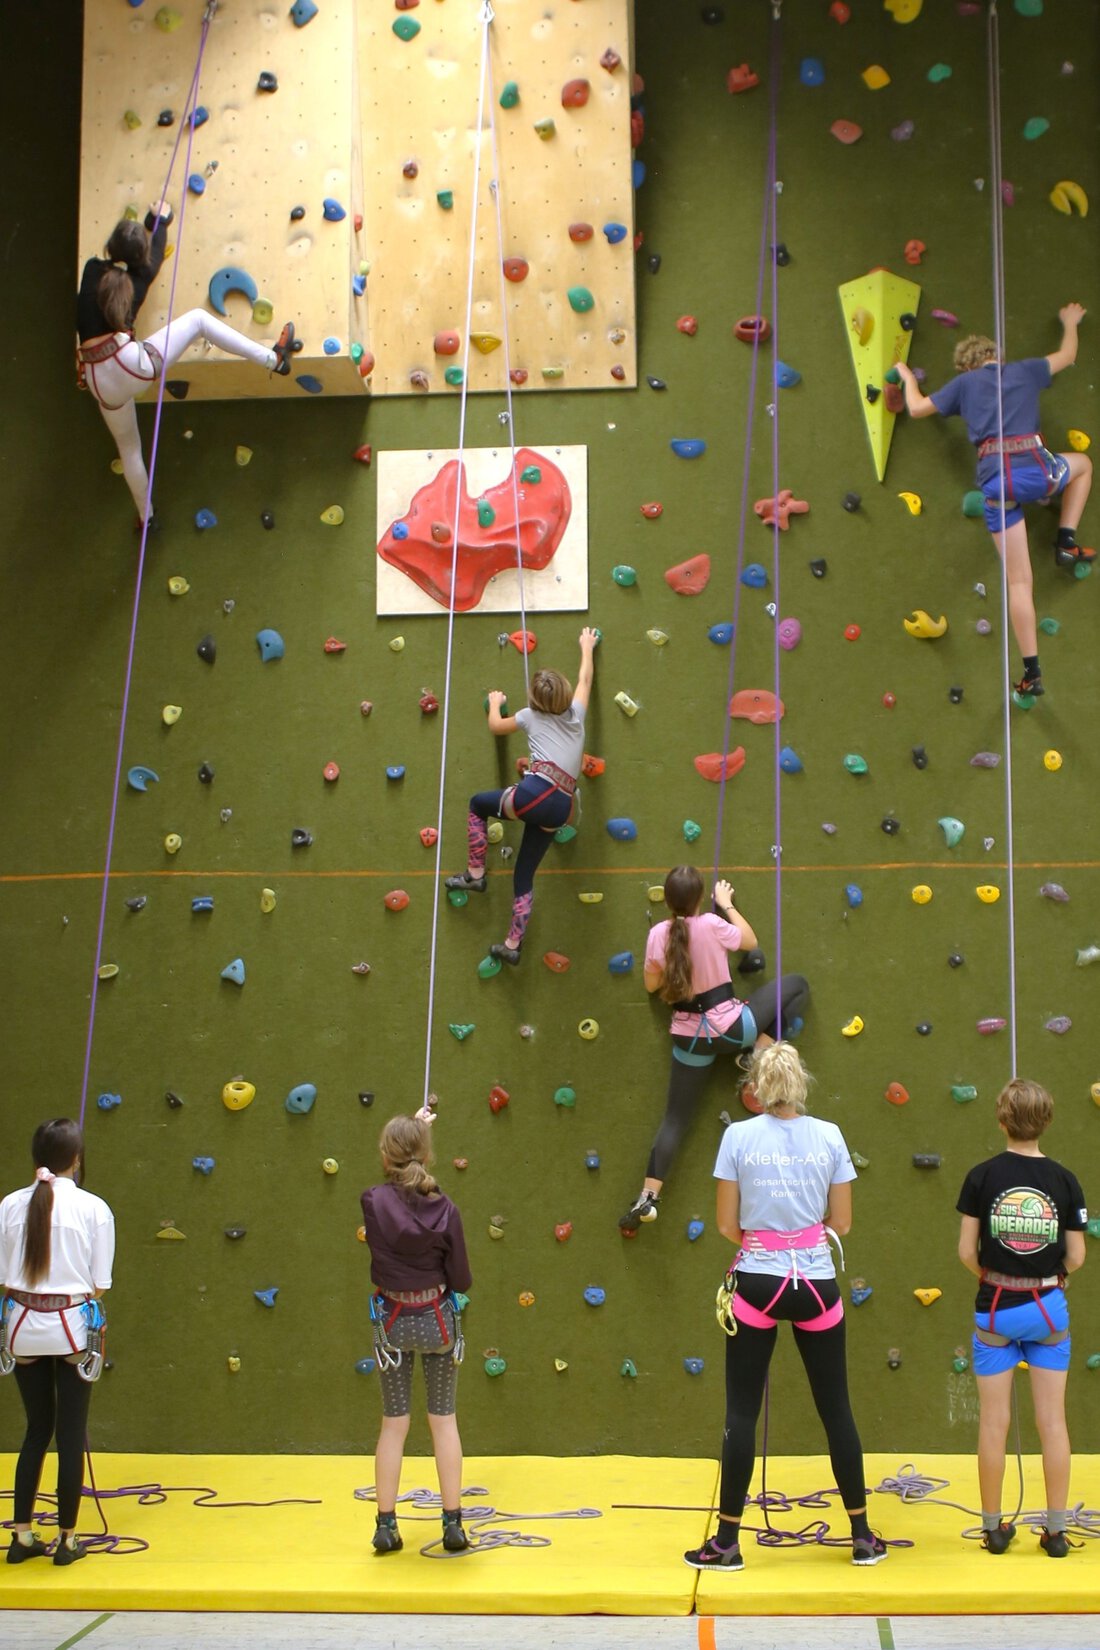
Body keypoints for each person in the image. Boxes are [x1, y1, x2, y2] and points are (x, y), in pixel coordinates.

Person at [684, 1042, 887, 1572]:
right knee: (837, 1410)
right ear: (800, 1083)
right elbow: (842, 1222)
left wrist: (767, 1242)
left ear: (756, 1086)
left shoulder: (737, 1137)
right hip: (816, 1283)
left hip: (757, 1281)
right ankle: (862, 1537)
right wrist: (801, 1239)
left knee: (741, 1411)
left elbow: (727, 1224)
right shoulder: (830, 1135)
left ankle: (726, 1543)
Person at [896, 305, 1092, 701]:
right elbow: (1068, 354)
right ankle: (1066, 541)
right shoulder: (1024, 370)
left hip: (998, 487)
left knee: (1020, 582)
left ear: (966, 366)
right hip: (1039, 472)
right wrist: (1070, 323)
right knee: (1083, 465)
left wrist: (905, 377)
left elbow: (916, 409)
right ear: (995, 355)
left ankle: (1032, 673)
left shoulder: (962, 384)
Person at [77, 208, 300, 528]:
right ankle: (273, 360)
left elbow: (120, 264)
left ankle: (146, 517)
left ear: (110, 246)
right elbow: (155, 253)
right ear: (140, 257)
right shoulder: (140, 279)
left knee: (128, 448)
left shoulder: (91, 269)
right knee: (198, 320)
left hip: (101, 383)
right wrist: (161, 218)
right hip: (136, 367)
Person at [619, 865, 810, 1232]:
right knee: (798, 985)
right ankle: (758, 1049)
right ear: (700, 898)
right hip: (734, 1029)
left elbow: (650, 985)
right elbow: (750, 942)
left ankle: (647, 1196)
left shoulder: (658, 935)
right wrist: (726, 904)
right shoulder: (711, 923)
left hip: (690, 1040)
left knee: (675, 1120)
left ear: (667, 901)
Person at [956, 1078, 1087, 1559]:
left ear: (1001, 1120)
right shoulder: (1065, 1181)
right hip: (1047, 1310)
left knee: (994, 1423)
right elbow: (1076, 1256)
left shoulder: (981, 1177)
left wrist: (994, 1276)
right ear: (1046, 1121)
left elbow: (966, 1251)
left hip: (995, 1307)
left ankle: (993, 1529)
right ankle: (1056, 1533)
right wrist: (1049, 1278)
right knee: (1053, 1421)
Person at [0, 1120, 115, 1567]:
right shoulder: (94, 1208)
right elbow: (99, 1286)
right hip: (71, 1329)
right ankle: (67, 1541)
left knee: (36, 1431)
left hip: (22, 1328)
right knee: (70, 1434)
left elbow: (5, 1279)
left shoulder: (10, 1205)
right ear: (77, 1159)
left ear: (36, 1158)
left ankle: (22, 1536)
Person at [445, 628, 597, 964]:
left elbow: (496, 726)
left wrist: (495, 704)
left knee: (477, 805)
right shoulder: (577, 714)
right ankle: (512, 946)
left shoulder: (530, 716)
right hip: (561, 808)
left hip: (534, 795)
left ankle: (475, 874)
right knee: (523, 874)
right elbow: (585, 679)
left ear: (536, 702)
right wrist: (587, 646)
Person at [359, 1107, 473, 1556]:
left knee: (394, 1424)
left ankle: (386, 1526)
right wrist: (420, 1137)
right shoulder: (446, 1208)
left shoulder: (371, 1201)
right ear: (427, 1156)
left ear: (385, 1156)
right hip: (435, 1321)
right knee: (443, 1421)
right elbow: (460, 1279)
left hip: (392, 1324)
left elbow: (396, 1195)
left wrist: (413, 1135)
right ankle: (453, 1524)